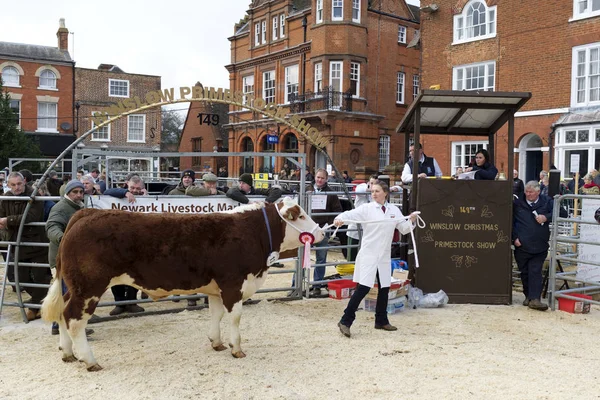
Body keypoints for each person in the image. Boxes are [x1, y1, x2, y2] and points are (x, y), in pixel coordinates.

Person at [334, 181, 418, 337]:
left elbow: (404, 229)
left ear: (385, 192)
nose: (374, 194)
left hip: (384, 255)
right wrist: (340, 219)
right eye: (372, 191)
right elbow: (350, 214)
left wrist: (411, 220)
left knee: (385, 287)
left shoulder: (394, 210)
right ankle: (345, 320)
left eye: (377, 191)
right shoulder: (367, 208)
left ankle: (381, 320)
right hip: (369, 254)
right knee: (363, 288)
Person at [45, 179, 95, 336]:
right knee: (70, 292)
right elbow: (52, 227)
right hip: (63, 258)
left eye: (81, 192)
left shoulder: (78, 207)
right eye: (75, 192)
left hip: (73, 257)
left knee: (64, 292)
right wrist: (64, 239)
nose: (79, 195)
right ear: (67, 193)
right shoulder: (60, 208)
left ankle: (58, 325)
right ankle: (72, 327)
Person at [0, 172, 51, 320]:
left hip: (36, 243)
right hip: (17, 243)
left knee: (40, 275)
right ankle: (40, 303)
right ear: (8, 185)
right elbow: (1, 216)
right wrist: (5, 221)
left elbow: (31, 217)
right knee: (20, 278)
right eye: (13, 185)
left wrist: (8, 220)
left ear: (24, 182)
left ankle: (36, 305)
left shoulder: (34, 195)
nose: (17, 187)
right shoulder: (6, 198)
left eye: (19, 184)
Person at [103, 176, 147, 315]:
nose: (134, 191)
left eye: (137, 189)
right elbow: (106, 192)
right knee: (116, 274)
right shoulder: (119, 194)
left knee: (135, 273)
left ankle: (132, 302)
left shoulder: (147, 198)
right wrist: (125, 193)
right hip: (117, 242)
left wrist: (146, 197)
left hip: (138, 242)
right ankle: (119, 303)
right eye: (132, 188)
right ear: (127, 185)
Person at [512, 181, 554, 311]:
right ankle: (528, 296)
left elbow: (561, 213)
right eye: (526, 191)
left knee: (535, 271)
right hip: (522, 244)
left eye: (531, 192)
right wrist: (514, 238)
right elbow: (510, 220)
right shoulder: (517, 203)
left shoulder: (547, 201)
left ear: (538, 192)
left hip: (540, 244)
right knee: (524, 272)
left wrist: (546, 217)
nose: (528, 194)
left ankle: (535, 299)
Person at [306, 168, 343, 295]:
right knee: (302, 256)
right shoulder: (307, 190)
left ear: (326, 179)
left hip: (323, 228)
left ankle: (317, 285)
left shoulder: (331, 194)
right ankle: (297, 284)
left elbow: (337, 210)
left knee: (321, 258)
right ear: (315, 177)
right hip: (307, 229)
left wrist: (329, 223)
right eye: (318, 177)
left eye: (322, 178)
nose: (319, 180)